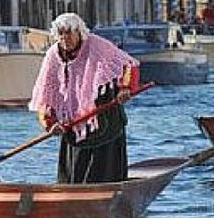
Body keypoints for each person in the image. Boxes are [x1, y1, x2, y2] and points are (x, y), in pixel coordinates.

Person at [29, 13, 140, 184]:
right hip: (73, 124)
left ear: (79, 32)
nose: (65, 38)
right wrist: (50, 123)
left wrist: (125, 89)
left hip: (106, 119)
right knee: (74, 172)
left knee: (106, 169)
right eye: (61, 33)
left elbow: (128, 66)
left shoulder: (97, 45)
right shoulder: (53, 56)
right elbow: (46, 94)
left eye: (69, 33)